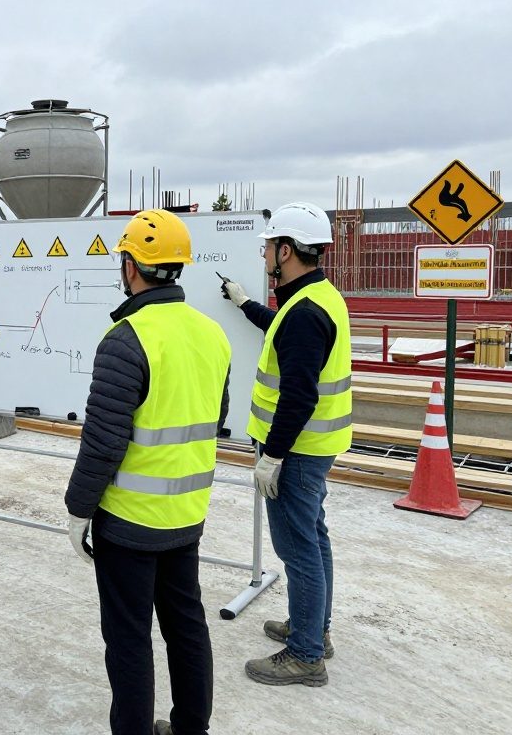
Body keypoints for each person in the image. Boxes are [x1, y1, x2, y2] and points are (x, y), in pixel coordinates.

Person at [64, 210, 231, 735]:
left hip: (129, 524)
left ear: (131, 265)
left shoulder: (125, 339)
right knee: (186, 627)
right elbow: (216, 417)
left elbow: (104, 442)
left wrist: (78, 508)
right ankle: (190, 728)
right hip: (186, 514)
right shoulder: (212, 334)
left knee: (130, 638)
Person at [218, 202, 351, 687]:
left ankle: (305, 655)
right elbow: (280, 328)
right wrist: (243, 302)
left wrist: (272, 456)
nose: (264, 255)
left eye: (269, 247)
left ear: (287, 250)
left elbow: (298, 394)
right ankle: (313, 629)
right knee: (314, 540)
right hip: (317, 446)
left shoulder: (304, 313)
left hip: (296, 452)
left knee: (298, 549)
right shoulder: (314, 297)